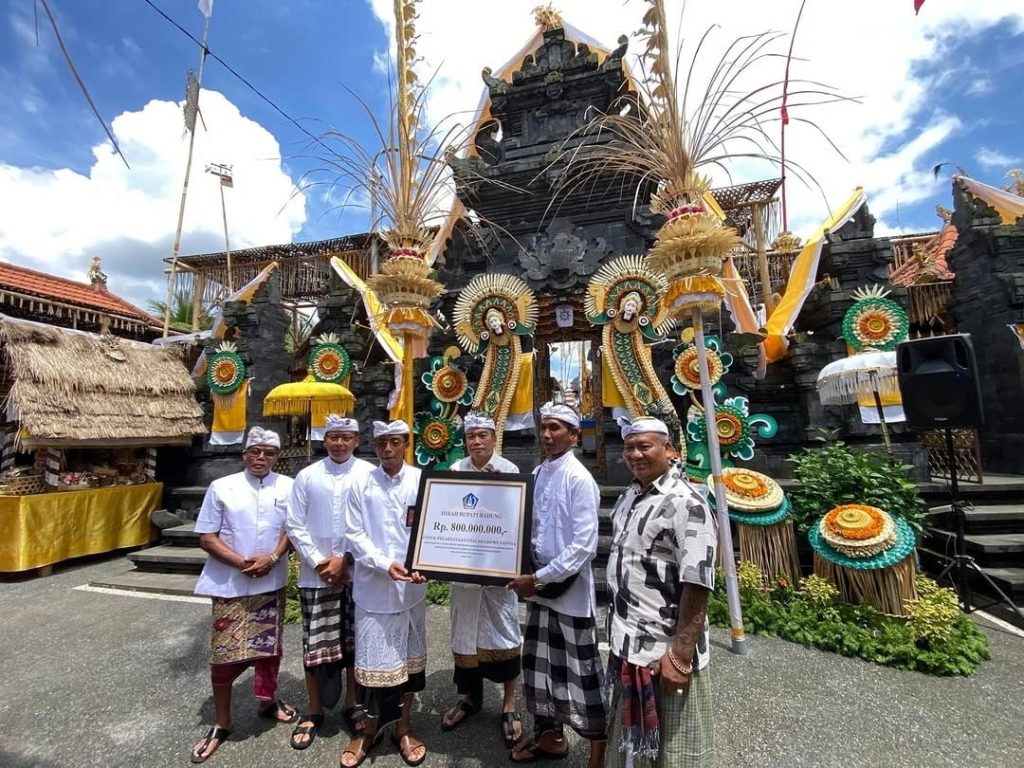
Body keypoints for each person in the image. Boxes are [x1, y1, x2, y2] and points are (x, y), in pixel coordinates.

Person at [606, 417, 717, 768]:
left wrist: (680, 656)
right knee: (630, 750)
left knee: (673, 754)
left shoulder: (687, 503)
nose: (635, 454)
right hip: (628, 642)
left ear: (669, 449)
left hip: (662, 652)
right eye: (629, 447)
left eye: (645, 446)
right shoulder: (630, 495)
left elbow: (697, 583)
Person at [507, 402, 607, 768]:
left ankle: (597, 756)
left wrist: (538, 579)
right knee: (541, 671)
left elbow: (584, 547)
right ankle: (551, 739)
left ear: (574, 435)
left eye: (556, 428)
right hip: (539, 590)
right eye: (544, 427)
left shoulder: (579, 479)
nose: (547, 435)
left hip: (568, 594)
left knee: (582, 674)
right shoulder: (538, 473)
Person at [189, 426, 297, 764]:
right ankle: (222, 722)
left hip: (271, 581)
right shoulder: (222, 487)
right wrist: (240, 562)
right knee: (223, 656)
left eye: (269, 453)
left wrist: (273, 558)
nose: (261, 458)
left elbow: (291, 530)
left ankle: (267, 701)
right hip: (230, 585)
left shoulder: (289, 487)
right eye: (255, 452)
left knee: (269, 651)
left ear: (277, 457)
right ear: (244, 454)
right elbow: (207, 536)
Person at [340, 420, 428, 768]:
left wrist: (426, 563)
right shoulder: (361, 483)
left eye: (394, 442)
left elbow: (433, 527)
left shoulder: (422, 481)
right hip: (374, 590)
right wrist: (384, 563)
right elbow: (354, 534)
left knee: (409, 665)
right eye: (381, 444)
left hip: (411, 591)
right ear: (374, 446)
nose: (388, 449)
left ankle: (403, 728)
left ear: (406, 443)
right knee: (373, 668)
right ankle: (368, 730)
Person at [286, 414, 374, 750]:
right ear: (324, 440)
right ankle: (313, 709)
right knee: (314, 644)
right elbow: (295, 524)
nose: (339, 443)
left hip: (357, 575)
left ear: (356, 441)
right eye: (333, 437)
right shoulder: (307, 476)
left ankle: (352, 704)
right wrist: (320, 563)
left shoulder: (369, 475)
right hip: (316, 575)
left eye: (346, 437)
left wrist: (346, 560)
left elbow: (374, 524)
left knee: (353, 644)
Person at [441, 411, 523, 747]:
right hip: (463, 569)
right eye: (471, 436)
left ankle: (509, 704)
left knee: (502, 631)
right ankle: (469, 697)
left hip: (496, 571)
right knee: (465, 634)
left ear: (493, 438)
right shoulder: (455, 471)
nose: (476, 441)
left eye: (482, 435)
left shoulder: (509, 470)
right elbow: (444, 515)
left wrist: (499, 489)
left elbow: (516, 519)